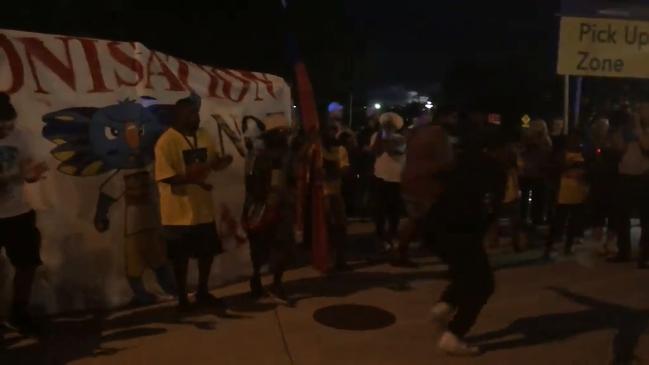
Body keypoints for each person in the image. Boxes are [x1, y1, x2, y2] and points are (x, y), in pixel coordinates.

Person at [427, 123, 506, 356]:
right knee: (483, 284)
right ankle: (453, 334)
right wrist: (491, 229)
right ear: (493, 149)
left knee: (466, 273)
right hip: (461, 232)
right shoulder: (493, 169)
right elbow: (489, 204)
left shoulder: (458, 162)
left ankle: (444, 306)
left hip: (437, 227)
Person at [154, 94, 233, 311]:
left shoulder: (204, 135)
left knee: (205, 254)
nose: (196, 117)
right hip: (177, 213)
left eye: (196, 113)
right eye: (191, 114)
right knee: (181, 259)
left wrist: (220, 163)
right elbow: (165, 176)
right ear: (177, 116)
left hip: (203, 210)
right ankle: (182, 298)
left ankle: (202, 291)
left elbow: (212, 163)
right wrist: (196, 178)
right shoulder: (165, 141)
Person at [0, 92, 49, 332]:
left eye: (9, 125)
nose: (6, 131)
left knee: (27, 264)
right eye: (2, 127)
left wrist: (34, 172)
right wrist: (16, 176)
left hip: (18, 213)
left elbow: (31, 166)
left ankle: (19, 312)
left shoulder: (21, 137)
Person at [243, 115, 295, 301]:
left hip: (280, 206)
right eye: (281, 132)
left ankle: (273, 283)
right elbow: (253, 184)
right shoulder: (263, 157)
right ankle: (260, 282)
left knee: (280, 246)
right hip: (265, 207)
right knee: (261, 247)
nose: (285, 136)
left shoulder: (284, 155)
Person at [397, 107, 456, 266]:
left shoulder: (416, 133)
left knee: (416, 218)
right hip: (427, 183)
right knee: (433, 219)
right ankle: (450, 260)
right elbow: (446, 162)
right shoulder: (439, 134)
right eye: (453, 117)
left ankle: (402, 251)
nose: (455, 121)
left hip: (410, 179)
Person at [608, 104, 649, 268]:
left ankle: (644, 255)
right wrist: (619, 132)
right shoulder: (627, 130)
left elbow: (646, 146)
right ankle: (623, 251)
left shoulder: (644, 131)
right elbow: (617, 148)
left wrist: (639, 128)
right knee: (621, 216)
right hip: (625, 177)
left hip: (644, 178)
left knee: (646, 220)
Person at [545, 133, 589, 258]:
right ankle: (550, 246)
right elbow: (552, 170)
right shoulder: (560, 155)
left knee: (573, 222)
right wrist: (567, 167)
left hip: (577, 194)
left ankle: (568, 246)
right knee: (558, 222)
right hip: (562, 195)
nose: (575, 142)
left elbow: (587, 172)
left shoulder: (583, 154)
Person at [370, 112, 406, 252]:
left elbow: (393, 150)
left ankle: (392, 236)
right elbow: (375, 152)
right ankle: (380, 237)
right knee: (379, 210)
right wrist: (380, 135)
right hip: (380, 177)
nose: (387, 127)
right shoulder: (377, 137)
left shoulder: (401, 139)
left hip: (395, 178)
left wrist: (384, 137)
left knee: (393, 211)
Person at [585, 117, 619, 256]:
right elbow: (588, 161)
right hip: (597, 183)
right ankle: (598, 243)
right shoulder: (591, 144)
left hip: (612, 182)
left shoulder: (613, 142)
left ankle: (610, 242)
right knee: (598, 214)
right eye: (601, 126)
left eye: (606, 126)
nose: (604, 129)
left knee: (613, 214)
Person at [321, 123, 350, 271]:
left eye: (333, 132)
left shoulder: (340, 150)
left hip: (334, 192)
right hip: (321, 195)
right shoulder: (316, 150)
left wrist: (331, 172)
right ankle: (328, 261)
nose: (330, 135)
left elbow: (344, 169)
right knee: (326, 229)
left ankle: (339, 259)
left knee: (339, 227)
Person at [519, 119, 552, 226]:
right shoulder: (530, 141)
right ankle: (529, 219)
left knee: (534, 198)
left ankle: (531, 219)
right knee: (531, 198)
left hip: (536, 173)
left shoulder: (544, 141)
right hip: (532, 172)